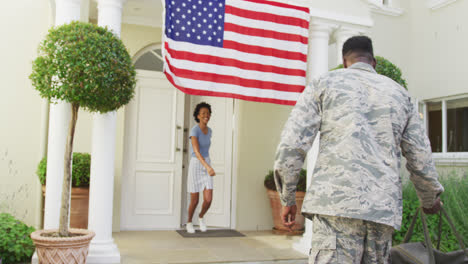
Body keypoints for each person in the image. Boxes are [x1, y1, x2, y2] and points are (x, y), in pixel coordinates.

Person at [273, 36, 444, 264]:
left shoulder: (323, 84)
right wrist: (429, 199)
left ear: (345, 61)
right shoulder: (400, 95)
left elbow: (291, 145)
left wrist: (288, 196)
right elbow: (420, 157)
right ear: (373, 62)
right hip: (381, 211)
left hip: (335, 208)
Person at [186, 102, 215, 233]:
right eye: (203, 113)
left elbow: (205, 150)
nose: (206, 115)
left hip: (206, 163)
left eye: (208, 113)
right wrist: (207, 167)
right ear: (198, 116)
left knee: (208, 199)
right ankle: (189, 222)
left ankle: (201, 217)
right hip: (196, 164)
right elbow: (196, 152)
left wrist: (208, 166)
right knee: (195, 200)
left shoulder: (210, 131)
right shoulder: (194, 130)